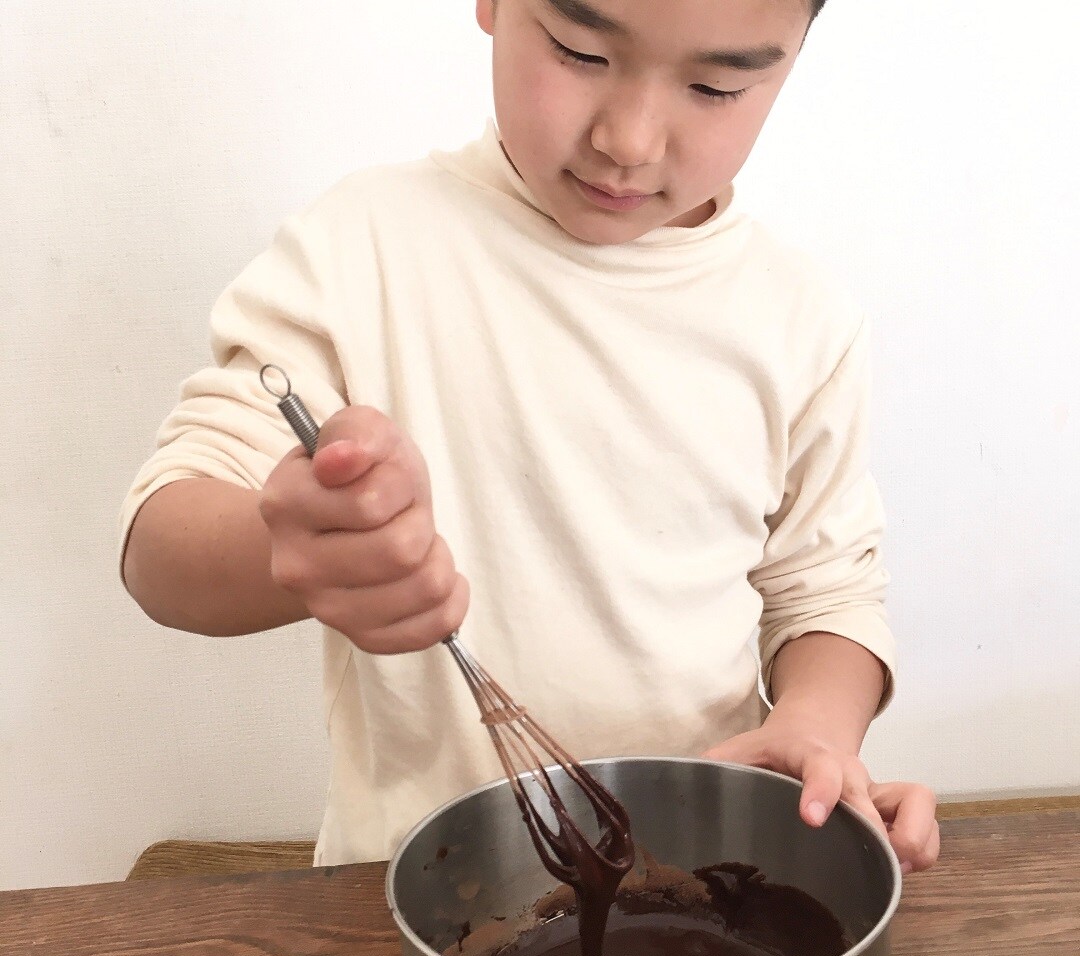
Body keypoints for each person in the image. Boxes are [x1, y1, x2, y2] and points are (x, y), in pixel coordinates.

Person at [121, 0, 940, 874]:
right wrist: (294, 546)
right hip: (405, 895)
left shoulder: (800, 319)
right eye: (581, 51)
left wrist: (811, 729)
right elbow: (161, 549)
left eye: (714, 85)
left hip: (707, 877)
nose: (629, 140)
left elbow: (826, 593)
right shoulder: (364, 248)